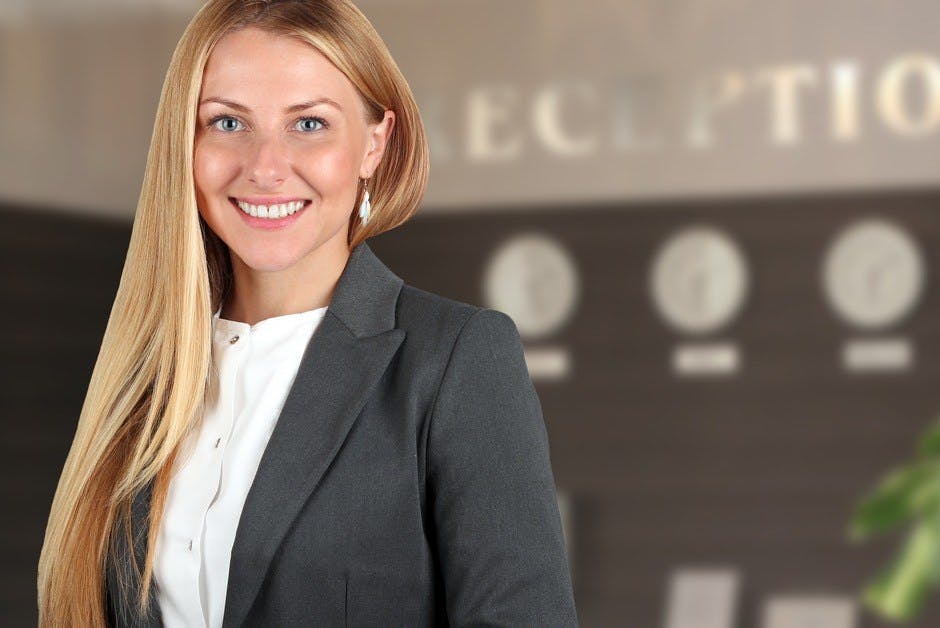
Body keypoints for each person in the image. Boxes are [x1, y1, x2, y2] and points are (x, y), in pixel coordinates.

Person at [36, 1, 579, 626]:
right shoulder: (144, 376)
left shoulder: (456, 359)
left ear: (374, 144)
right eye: (228, 124)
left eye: (310, 124)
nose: (265, 168)